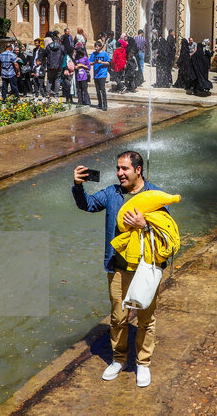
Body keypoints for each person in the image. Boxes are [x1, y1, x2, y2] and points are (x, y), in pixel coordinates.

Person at [72, 151, 168, 387]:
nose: (119, 173)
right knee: (118, 317)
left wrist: (145, 226)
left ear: (138, 170)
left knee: (146, 318)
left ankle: (143, 364)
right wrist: (77, 186)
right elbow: (89, 205)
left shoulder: (154, 195)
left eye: (124, 169)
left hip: (146, 268)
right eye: (118, 168)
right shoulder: (112, 193)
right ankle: (119, 359)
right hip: (117, 268)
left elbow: (166, 233)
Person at [89, 41, 110, 110]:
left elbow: (108, 62)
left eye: (97, 47)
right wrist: (94, 62)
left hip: (102, 74)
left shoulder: (105, 54)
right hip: (96, 75)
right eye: (95, 47)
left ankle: (105, 105)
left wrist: (102, 62)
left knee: (103, 90)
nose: (95, 48)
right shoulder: (93, 54)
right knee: (97, 91)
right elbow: (90, 63)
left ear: (100, 47)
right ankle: (100, 104)